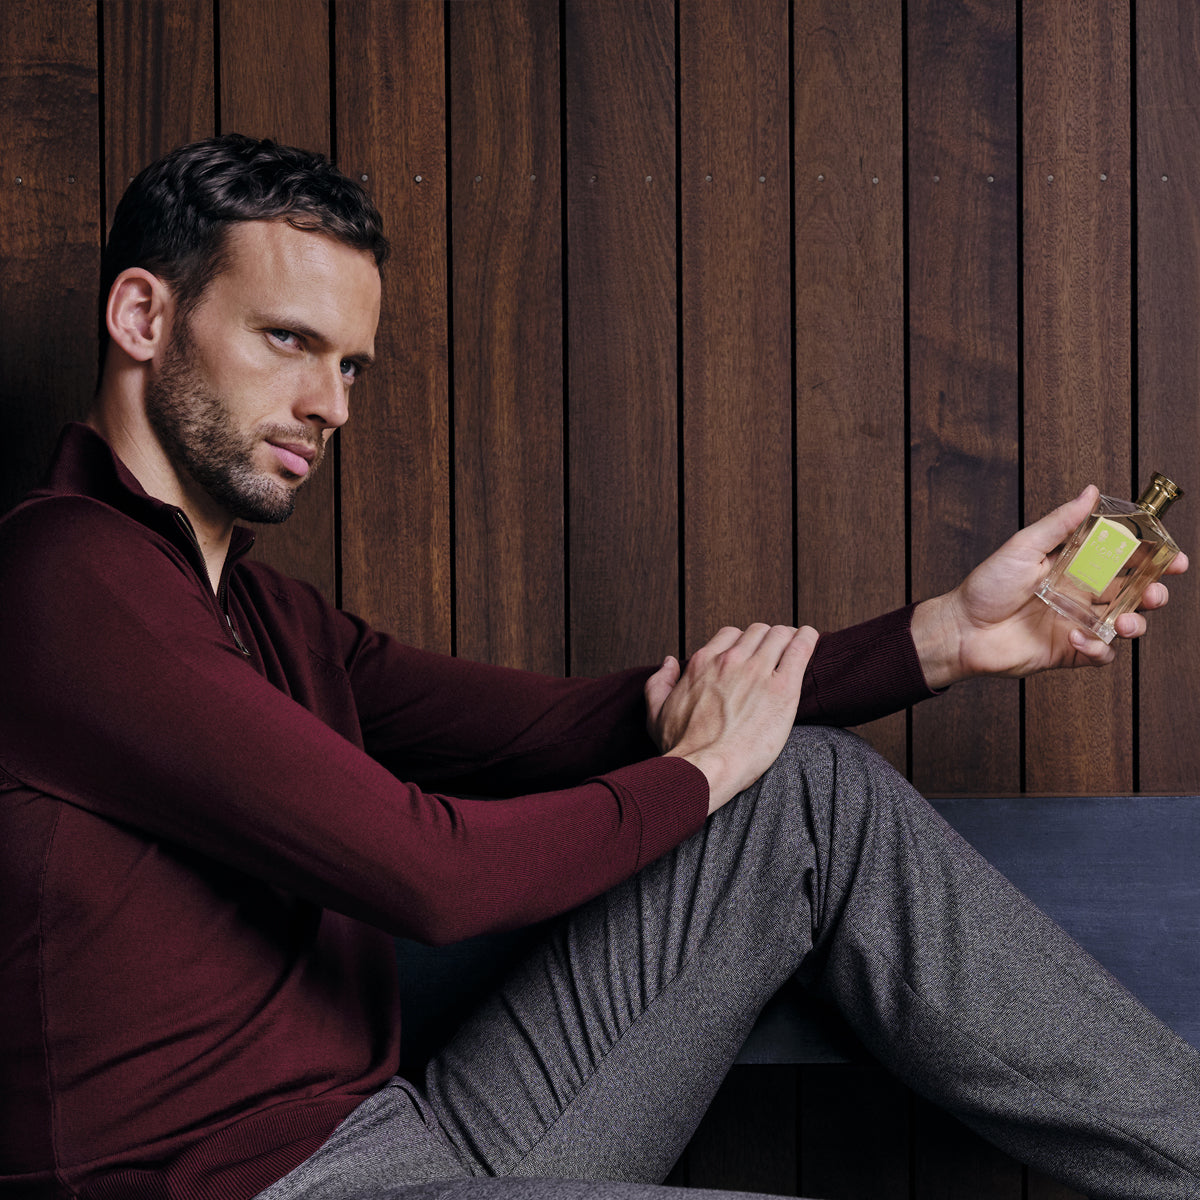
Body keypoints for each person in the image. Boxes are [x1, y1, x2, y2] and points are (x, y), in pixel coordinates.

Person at [0, 134, 1196, 1200]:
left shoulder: (266, 615)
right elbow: (433, 876)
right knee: (745, 770)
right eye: (286, 342)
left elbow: (578, 728)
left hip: (406, 1141)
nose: (330, 405)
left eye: (351, 366)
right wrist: (708, 764)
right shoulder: (63, 582)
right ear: (145, 318)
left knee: (805, 794)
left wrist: (947, 637)